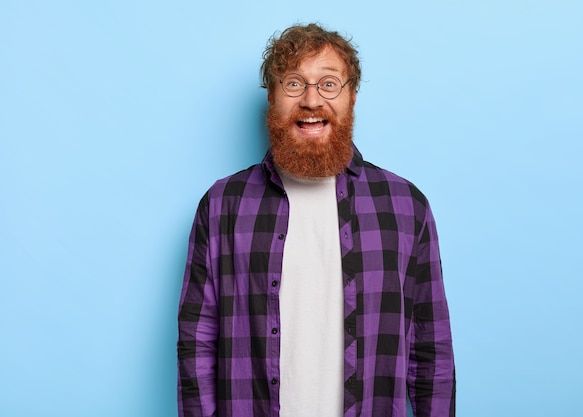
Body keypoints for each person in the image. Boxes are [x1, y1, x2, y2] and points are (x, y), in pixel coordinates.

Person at [177, 23, 455, 417]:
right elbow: (197, 344)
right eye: (293, 84)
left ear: (351, 97)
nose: (311, 101)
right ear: (272, 98)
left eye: (329, 84)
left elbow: (431, 352)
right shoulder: (224, 204)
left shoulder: (405, 206)